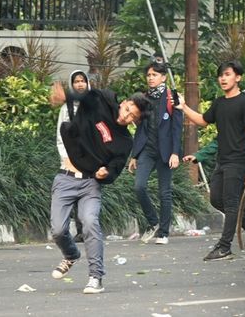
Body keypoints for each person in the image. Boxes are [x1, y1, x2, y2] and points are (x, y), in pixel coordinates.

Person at [48, 81, 149, 294]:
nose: (126, 116)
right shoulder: (104, 100)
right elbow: (85, 96)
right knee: (58, 230)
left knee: (89, 221)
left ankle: (95, 277)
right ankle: (71, 255)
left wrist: (106, 173)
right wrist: (67, 96)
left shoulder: (124, 141)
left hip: (90, 183)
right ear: (124, 102)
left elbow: (116, 167)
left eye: (132, 117)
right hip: (66, 177)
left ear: (135, 122)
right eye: (128, 109)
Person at [178, 60, 245, 260]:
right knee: (216, 199)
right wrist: (183, 107)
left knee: (232, 203)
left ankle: (224, 247)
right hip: (222, 161)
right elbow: (203, 121)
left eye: (228, 74)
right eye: (221, 75)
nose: (223, 78)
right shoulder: (219, 103)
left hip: (239, 161)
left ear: (238, 77)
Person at [129, 62, 183, 245]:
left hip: (166, 152)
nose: (151, 78)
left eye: (154, 75)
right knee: (139, 187)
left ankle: (164, 233)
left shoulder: (172, 97)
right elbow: (140, 129)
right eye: (149, 75)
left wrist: (175, 153)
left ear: (163, 77)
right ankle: (153, 223)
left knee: (164, 192)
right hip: (147, 150)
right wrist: (135, 155)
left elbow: (177, 129)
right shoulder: (144, 98)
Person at [56, 70, 92, 243]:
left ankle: (89, 229)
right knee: (74, 194)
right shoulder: (66, 108)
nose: (80, 84)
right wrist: (65, 158)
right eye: (76, 81)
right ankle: (79, 231)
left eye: (82, 81)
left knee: (89, 193)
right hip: (71, 159)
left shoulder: (94, 105)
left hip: (91, 157)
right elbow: (60, 136)